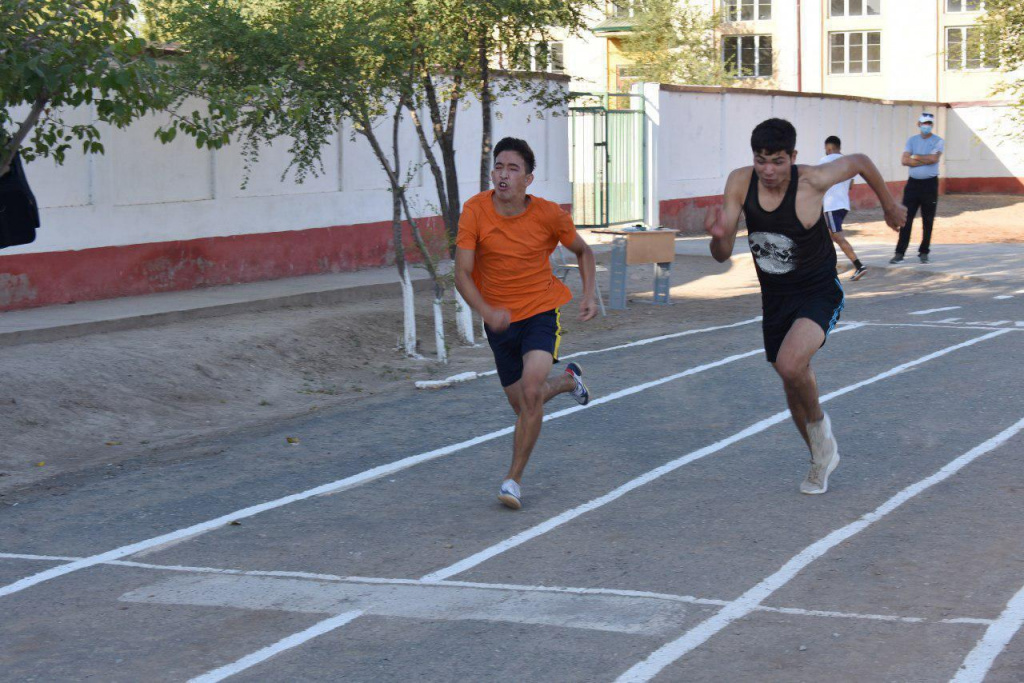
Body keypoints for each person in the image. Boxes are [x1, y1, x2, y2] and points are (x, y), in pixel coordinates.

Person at [704, 118, 906, 494]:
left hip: (818, 291)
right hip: (775, 298)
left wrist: (890, 206)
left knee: (790, 363)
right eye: (761, 160)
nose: (768, 170)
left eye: (777, 161)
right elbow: (721, 255)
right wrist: (716, 238)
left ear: (793, 157)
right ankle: (820, 455)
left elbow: (860, 160)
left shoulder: (813, 179)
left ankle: (821, 431)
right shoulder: (739, 182)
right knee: (791, 378)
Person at [455, 137, 599, 510]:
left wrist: (588, 294)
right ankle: (568, 380)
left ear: (528, 179)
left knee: (532, 393)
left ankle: (512, 480)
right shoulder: (474, 211)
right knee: (524, 408)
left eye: (512, 168)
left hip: (539, 310)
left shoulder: (549, 215)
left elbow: (583, 251)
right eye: (498, 167)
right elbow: (462, 274)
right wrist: (486, 311)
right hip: (499, 321)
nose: (503, 175)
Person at [891, 112, 944, 264]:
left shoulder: (938, 141)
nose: (927, 126)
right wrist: (924, 159)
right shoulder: (912, 140)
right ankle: (900, 252)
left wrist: (915, 157)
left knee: (928, 220)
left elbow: (934, 159)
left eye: (929, 123)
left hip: (930, 184)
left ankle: (924, 251)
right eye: (924, 123)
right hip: (913, 184)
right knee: (905, 219)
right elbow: (904, 160)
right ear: (919, 124)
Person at [818, 136, 867, 281]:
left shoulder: (824, 161)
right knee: (827, 237)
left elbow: (819, 182)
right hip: (843, 204)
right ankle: (828, 268)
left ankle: (859, 265)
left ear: (828, 149)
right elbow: (851, 186)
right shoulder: (849, 162)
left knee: (837, 236)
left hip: (831, 205)